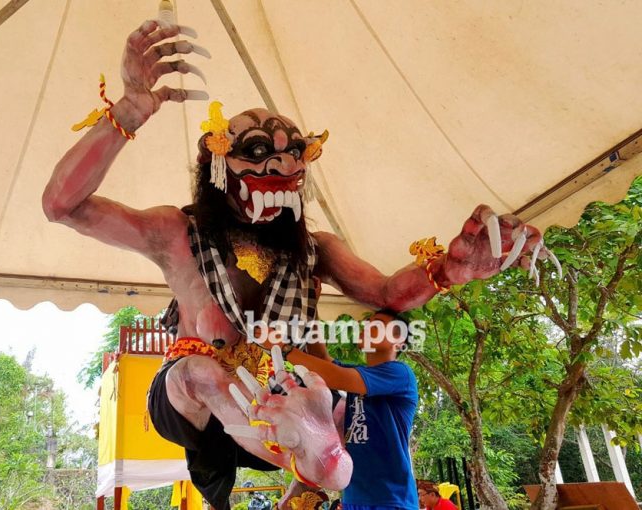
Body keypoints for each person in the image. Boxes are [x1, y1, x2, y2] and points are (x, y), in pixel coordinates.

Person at [42, 18, 551, 510]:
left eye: (291, 155)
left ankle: (310, 460)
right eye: (258, 151)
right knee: (201, 371)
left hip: (277, 400)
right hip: (190, 400)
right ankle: (311, 463)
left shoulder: (314, 247)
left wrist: (452, 269)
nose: (281, 166)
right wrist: (129, 111)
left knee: (322, 391)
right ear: (215, 162)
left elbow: (389, 294)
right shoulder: (177, 232)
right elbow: (64, 206)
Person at [240, 309, 418, 509]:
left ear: (399, 341)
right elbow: (323, 362)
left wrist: (283, 348)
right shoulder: (355, 373)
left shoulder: (401, 373)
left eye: (377, 324)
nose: (367, 327)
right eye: (367, 323)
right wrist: (311, 306)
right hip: (354, 498)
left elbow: (336, 376)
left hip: (391, 500)